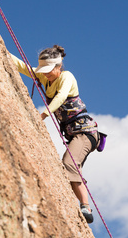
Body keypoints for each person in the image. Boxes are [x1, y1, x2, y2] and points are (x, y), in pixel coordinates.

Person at [11, 45, 100, 224]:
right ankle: (83, 204)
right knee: (71, 167)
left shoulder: (67, 77)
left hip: (86, 132)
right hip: (74, 134)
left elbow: (60, 97)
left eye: (49, 71)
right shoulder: (45, 77)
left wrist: (44, 114)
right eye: (43, 71)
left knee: (69, 163)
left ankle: (85, 206)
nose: (45, 75)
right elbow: (22, 66)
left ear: (59, 67)